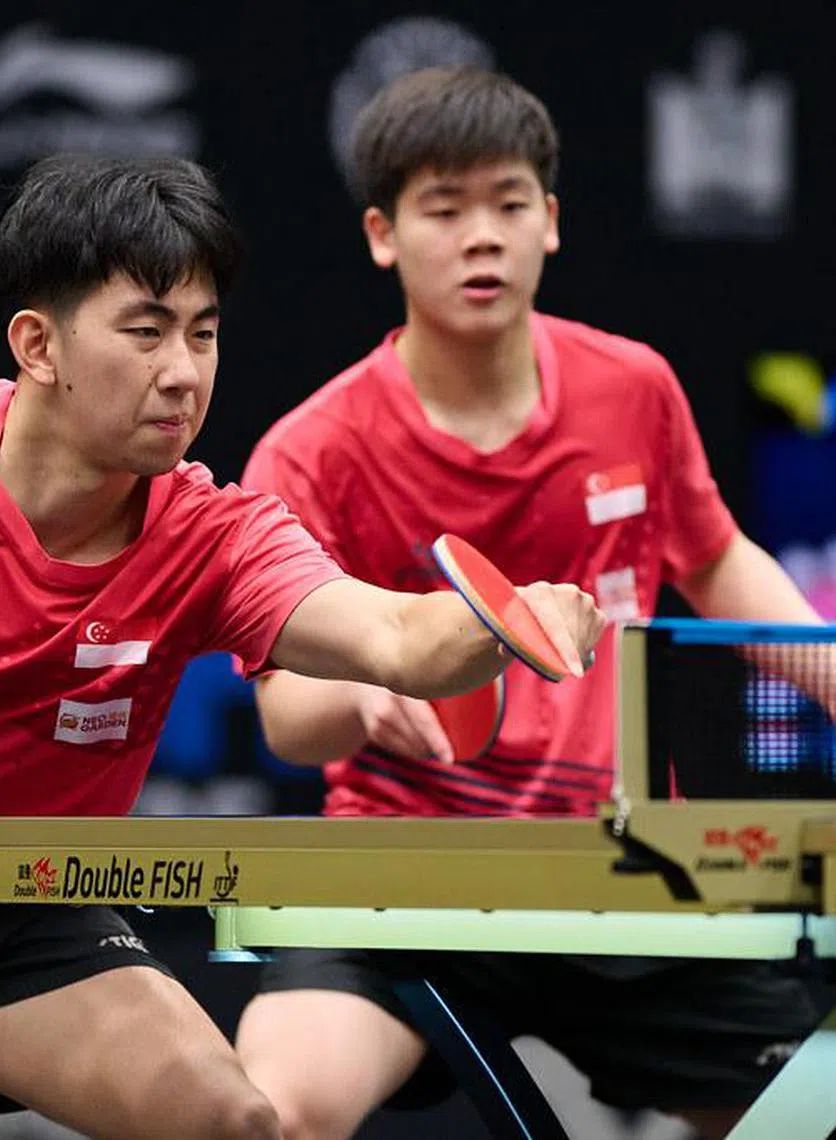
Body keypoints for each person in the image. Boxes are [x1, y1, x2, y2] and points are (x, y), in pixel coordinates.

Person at [0, 154, 601, 1140]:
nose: (184, 371)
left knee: (236, 1126)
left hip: (0, 898)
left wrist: (513, 622)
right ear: (38, 345)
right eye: (146, 331)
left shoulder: (213, 541)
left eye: (204, 335)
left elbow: (394, 636)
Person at [233, 66, 825, 1140]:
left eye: (509, 204)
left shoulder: (633, 389)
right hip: (403, 874)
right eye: (444, 209)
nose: (482, 237)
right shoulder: (312, 452)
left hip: (622, 864)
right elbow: (285, 711)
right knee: (271, 1116)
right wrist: (371, 700)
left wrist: (830, 672)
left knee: (809, 1115)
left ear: (550, 223)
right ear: (383, 234)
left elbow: (719, 558)